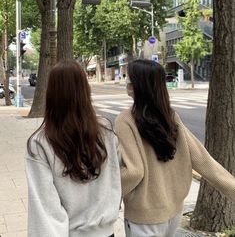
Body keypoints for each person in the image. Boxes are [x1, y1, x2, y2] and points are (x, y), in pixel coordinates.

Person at [115, 59, 235, 237]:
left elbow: (134, 172)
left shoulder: (125, 120)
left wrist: (107, 195)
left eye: (129, 76)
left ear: (137, 84)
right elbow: (202, 160)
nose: (126, 80)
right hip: (174, 212)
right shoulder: (170, 117)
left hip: (145, 216)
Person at [26, 59, 121, 237]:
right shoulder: (106, 131)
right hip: (106, 231)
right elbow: (115, 178)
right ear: (85, 90)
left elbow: (44, 206)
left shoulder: (40, 143)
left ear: (51, 93)